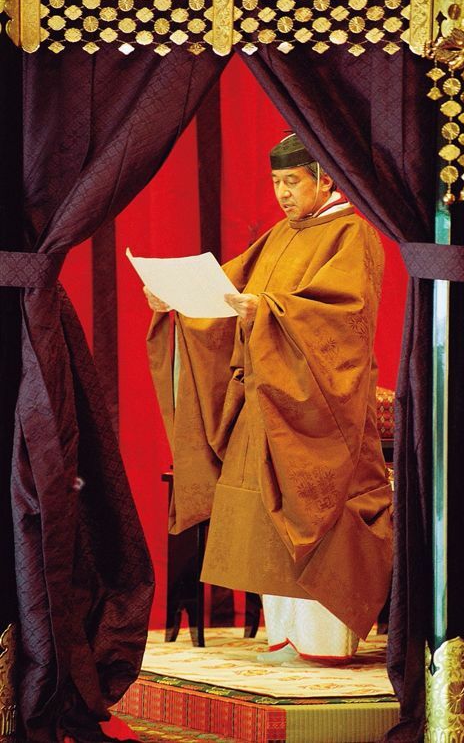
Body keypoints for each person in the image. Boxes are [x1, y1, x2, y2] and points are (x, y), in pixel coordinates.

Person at [145, 133, 393, 663]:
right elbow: (223, 289)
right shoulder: (281, 234)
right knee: (266, 521)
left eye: (293, 181)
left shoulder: (352, 233)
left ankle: (325, 640)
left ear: (324, 178)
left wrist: (273, 312)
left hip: (321, 407)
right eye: (276, 182)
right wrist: (174, 299)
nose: (283, 193)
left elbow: (345, 316)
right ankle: (284, 636)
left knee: (318, 515)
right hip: (267, 399)